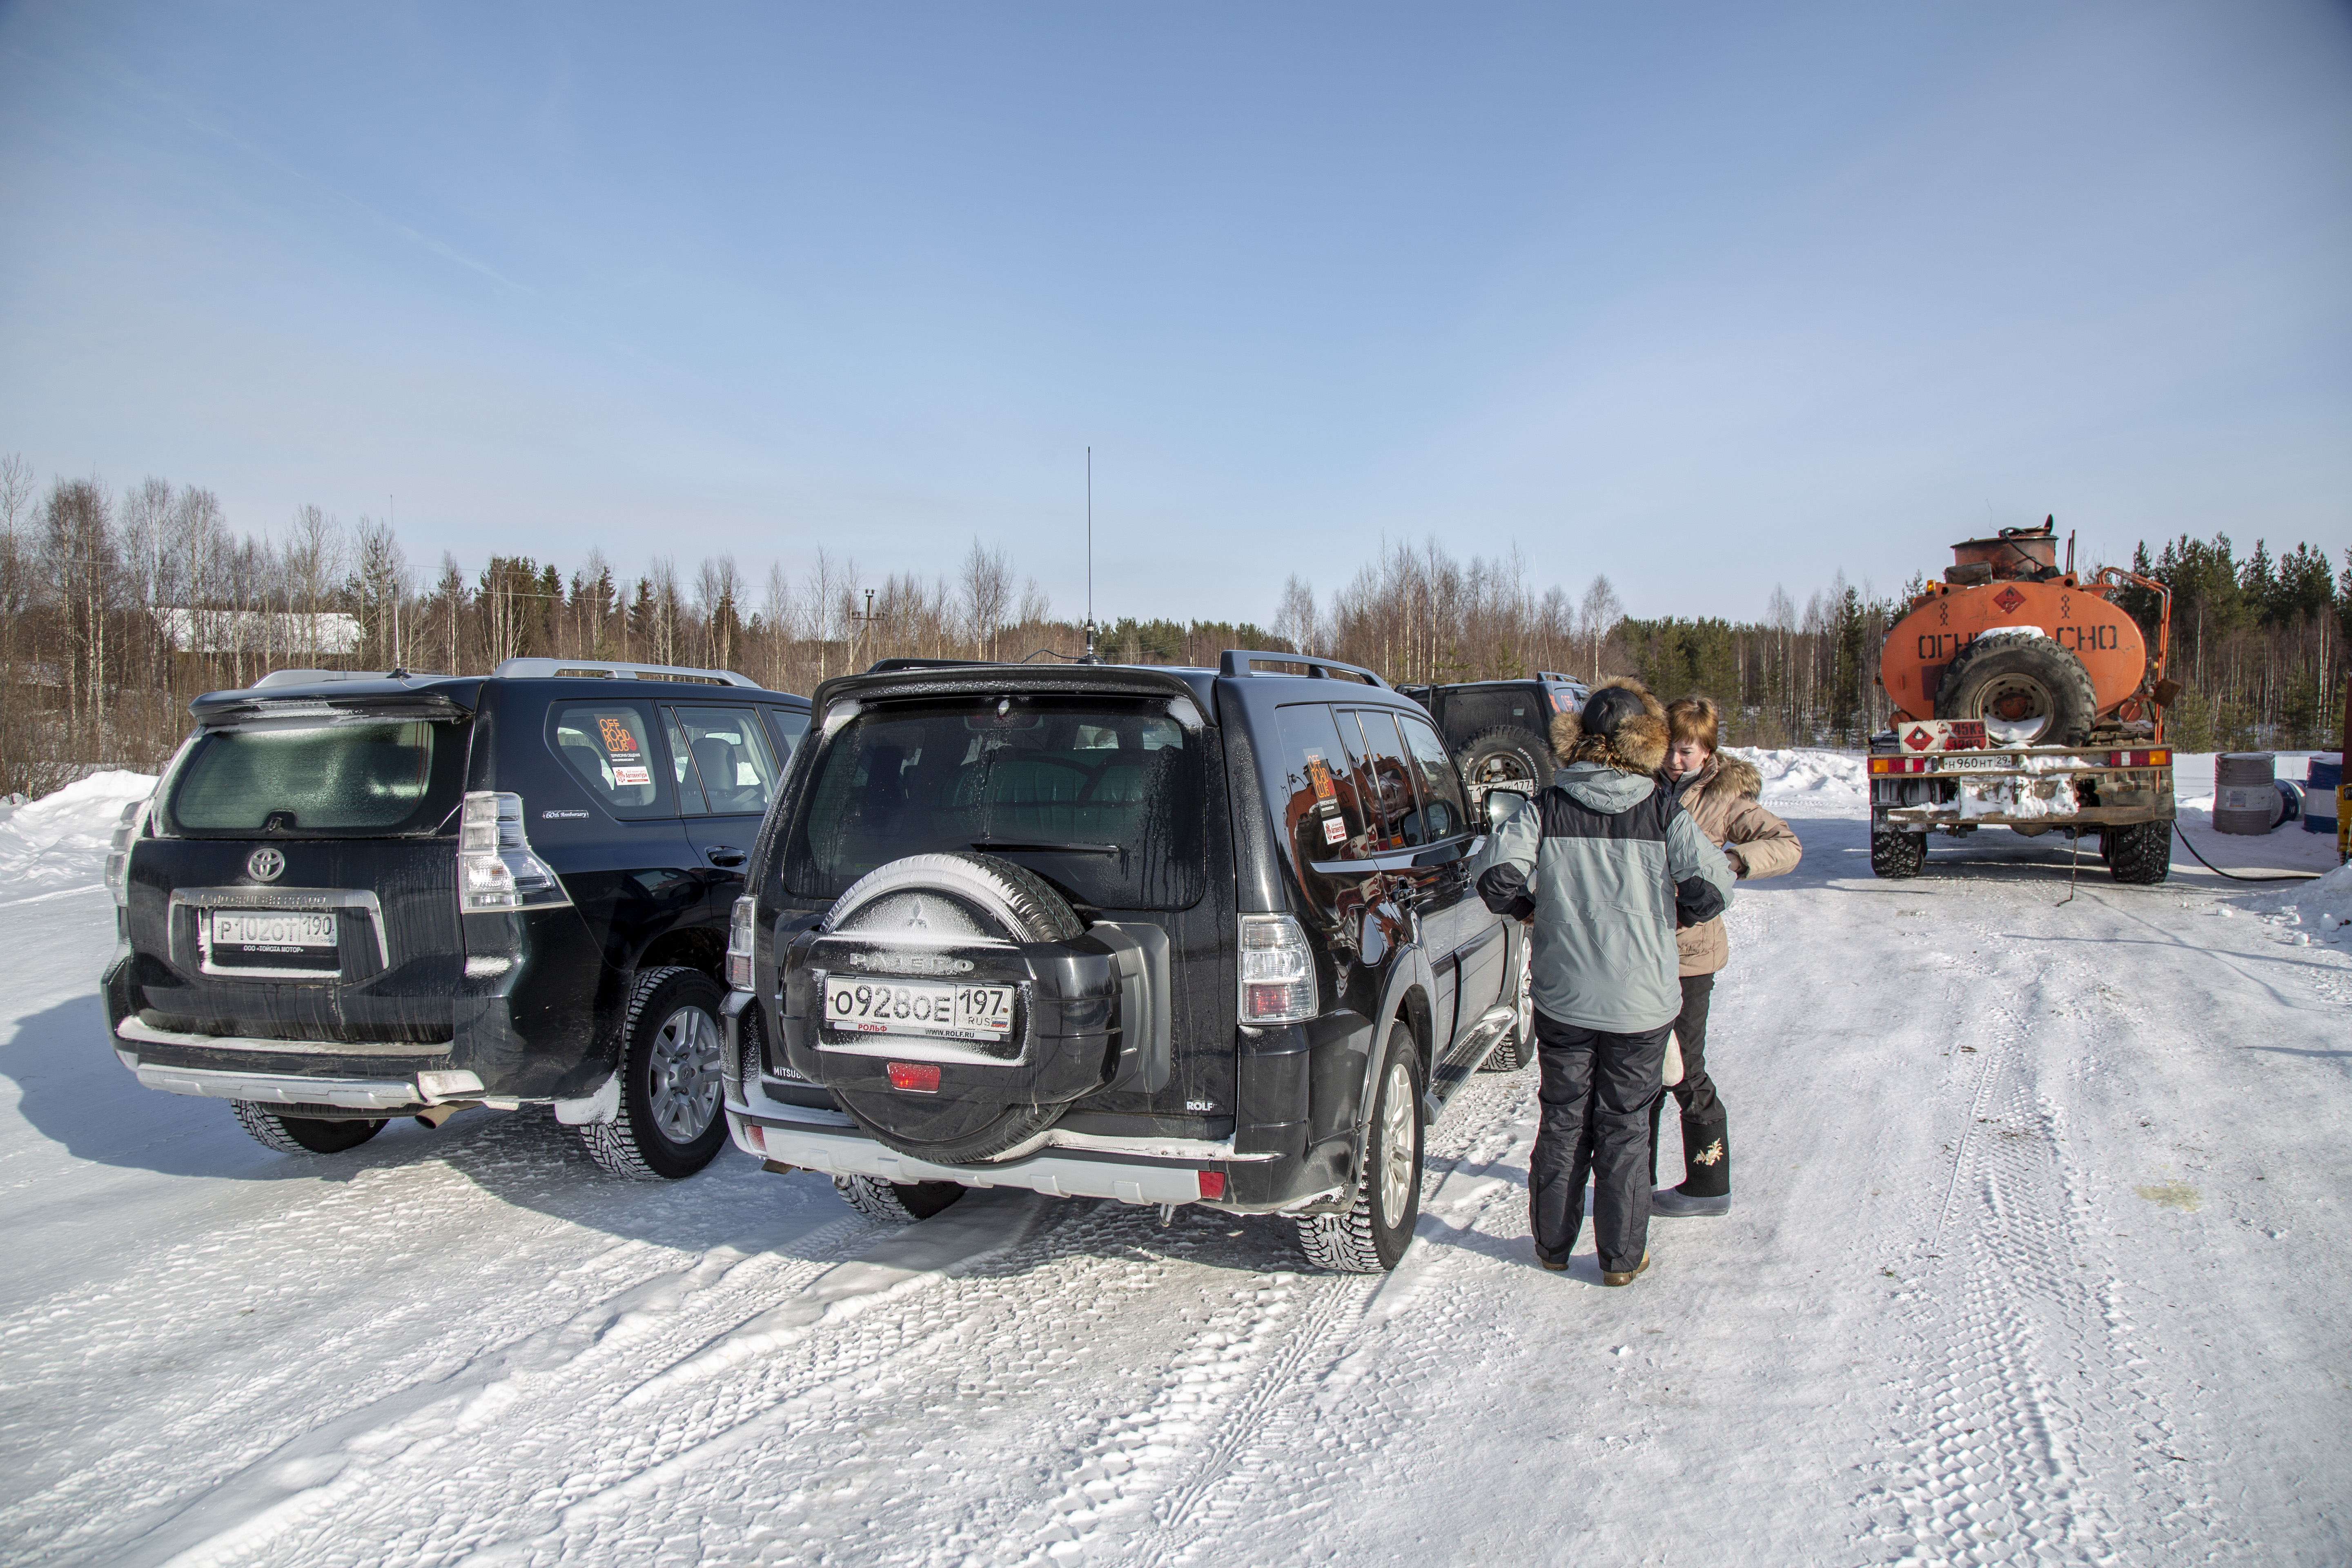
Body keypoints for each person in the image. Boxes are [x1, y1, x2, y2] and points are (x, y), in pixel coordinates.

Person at [1476, 677, 1736, 1286]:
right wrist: (1671, 915)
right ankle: (1621, 1259)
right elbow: (1712, 888)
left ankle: (1552, 1246)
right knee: (1624, 1125)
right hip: (1642, 1002)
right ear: (1643, 743)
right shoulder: (1662, 809)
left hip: (1566, 994)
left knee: (1563, 1117)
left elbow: (1495, 881)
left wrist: (1532, 910)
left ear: (1581, 741)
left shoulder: (1545, 806)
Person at [1648, 697, 1802, 1218]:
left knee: (1685, 1070)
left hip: (1691, 954)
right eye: (1670, 749)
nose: (1675, 760)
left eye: (1687, 752)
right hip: (1642, 949)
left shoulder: (1725, 796)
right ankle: (1634, 1180)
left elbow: (1786, 844)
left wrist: (1734, 861)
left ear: (1708, 751)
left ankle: (1709, 1183)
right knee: (1640, 1071)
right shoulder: (1645, 784)